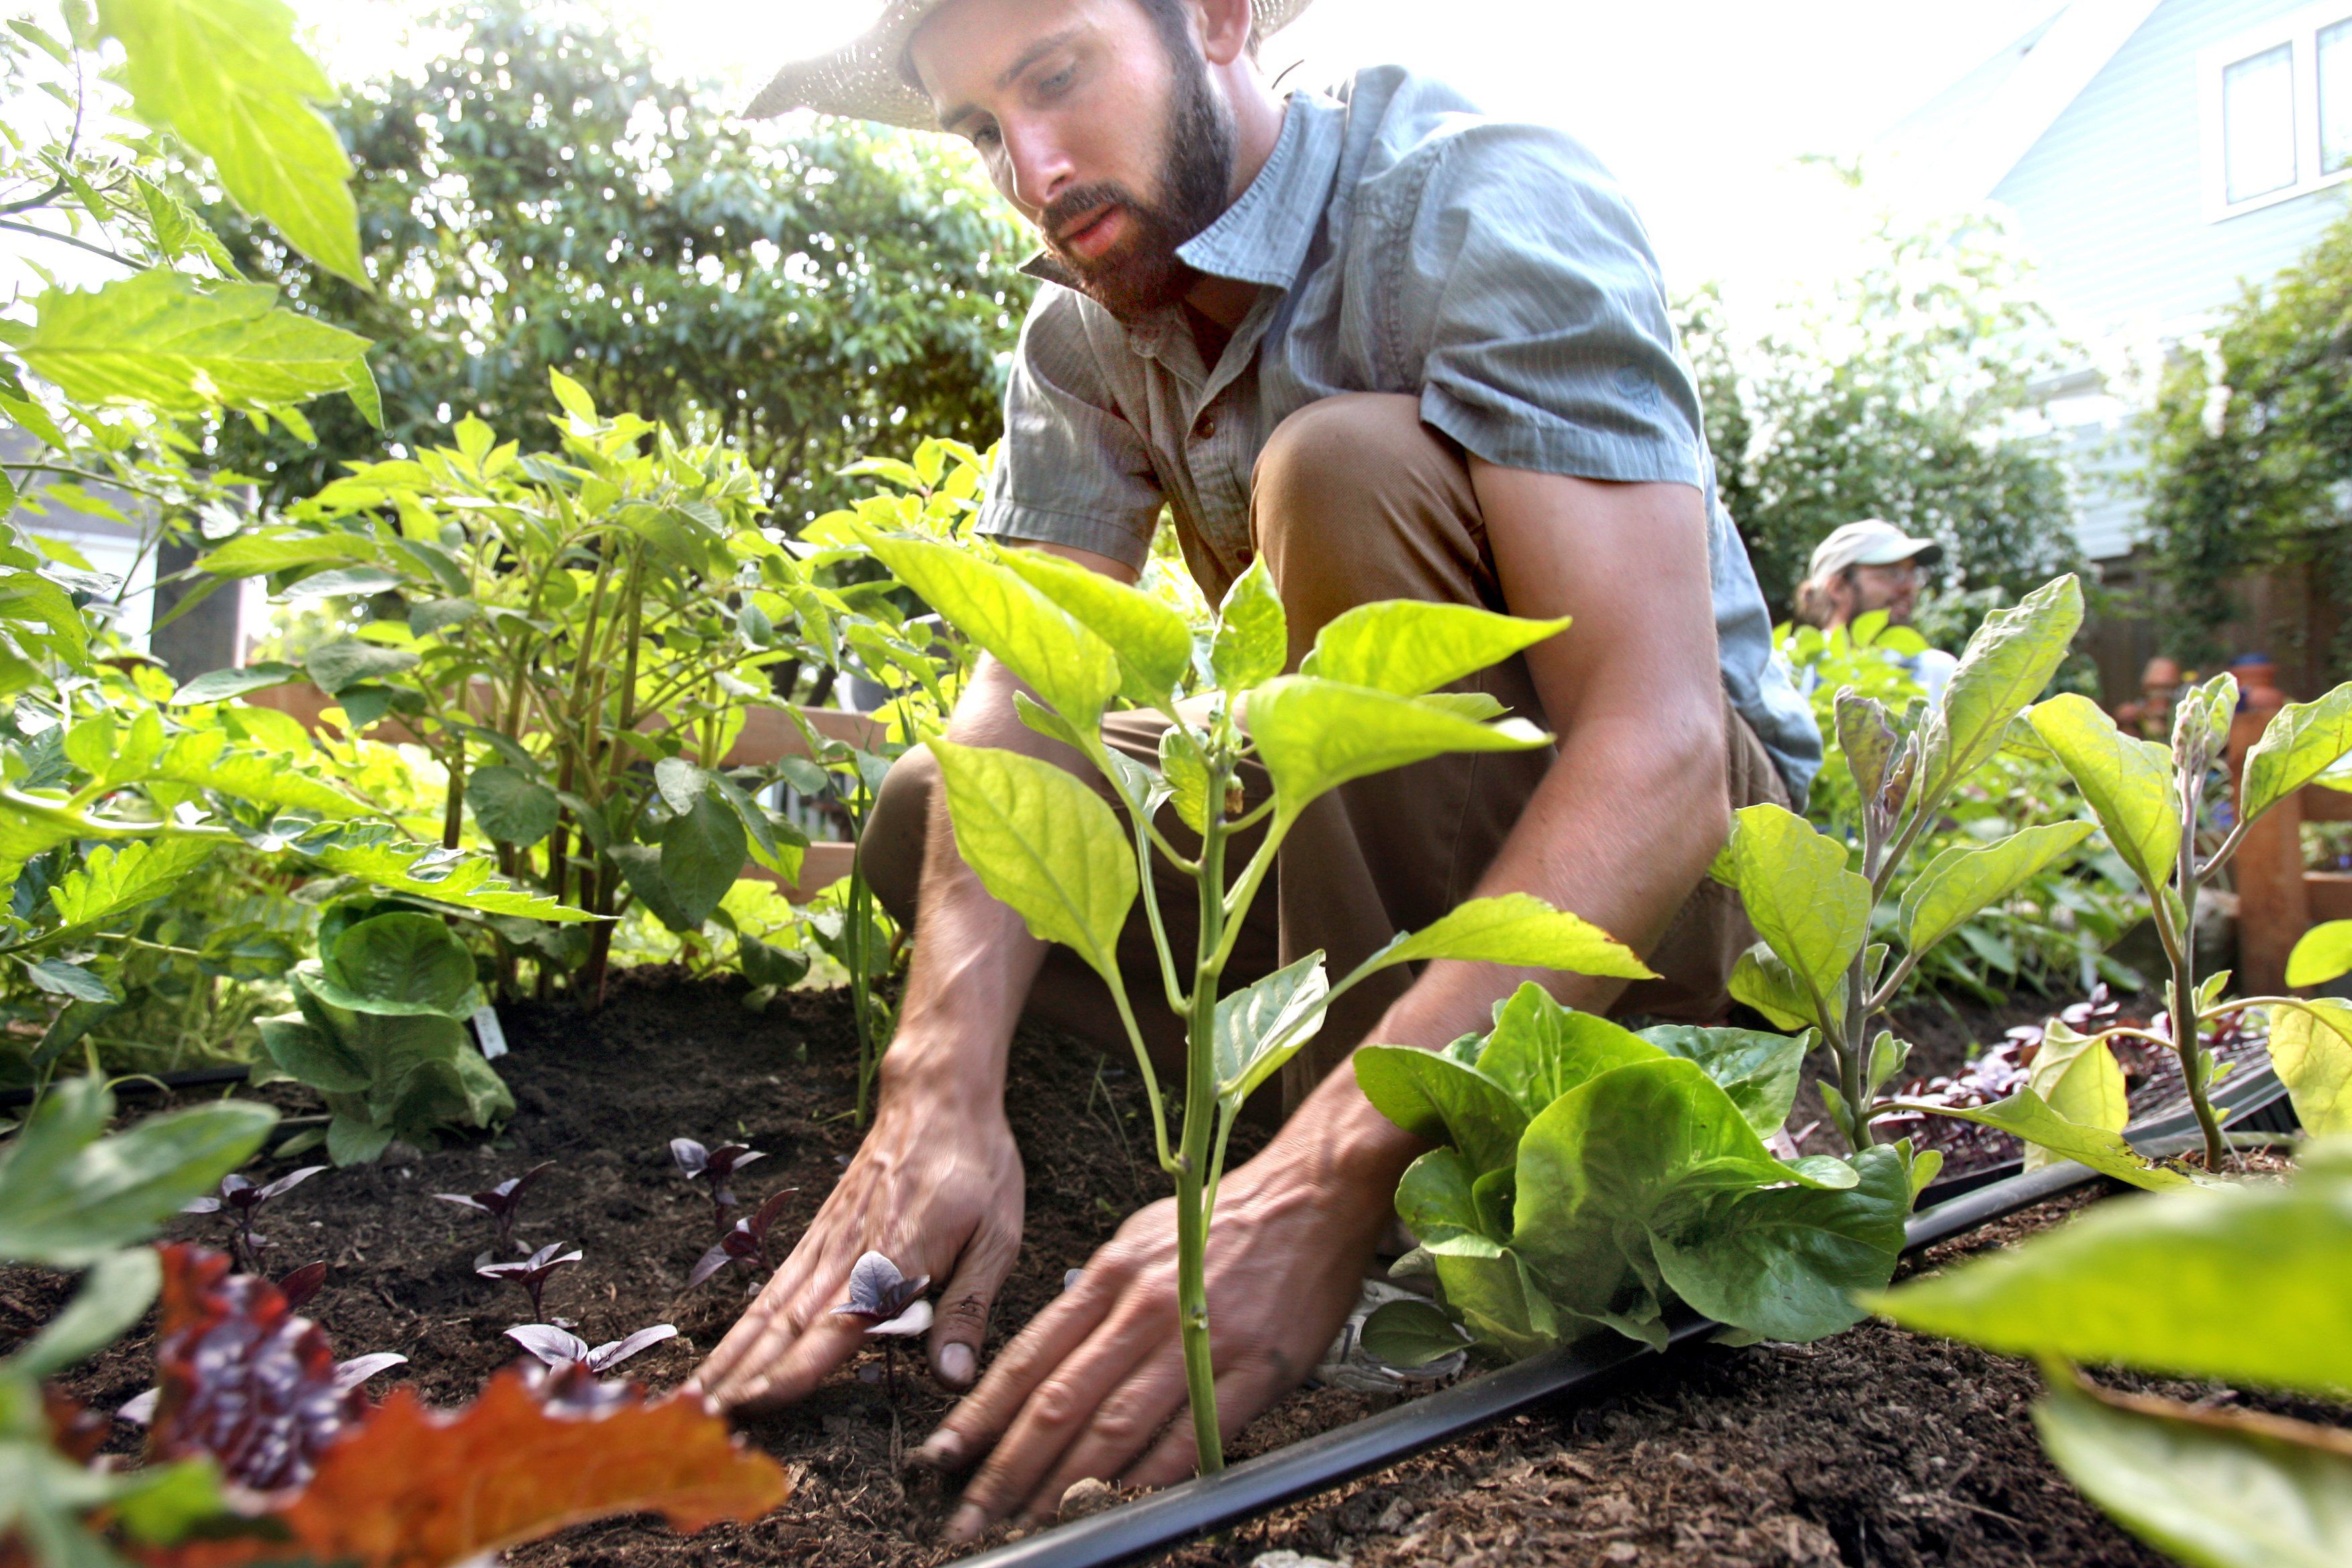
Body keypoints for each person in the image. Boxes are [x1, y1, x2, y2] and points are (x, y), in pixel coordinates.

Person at [690, 0, 1819, 1537]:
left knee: (1338, 477)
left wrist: (1317, 1181)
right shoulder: (1079, 325)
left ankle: (1372, 1184)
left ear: (1217, 15)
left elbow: (1663, 751)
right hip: (1388, 869)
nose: (1027, 162)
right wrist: (932, 1089)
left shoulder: (1473, 195)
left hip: (1675, 900)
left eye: (1057, 73)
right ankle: (1319, 1128)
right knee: (936, 820)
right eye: (976, 127)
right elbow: (1019, 694)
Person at [1790, 518, 1957, 703]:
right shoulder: (1790, 670)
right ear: (1837, 587)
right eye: (1893, 573)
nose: (1910, 587)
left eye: (1913, 574)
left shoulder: (1937, 673)